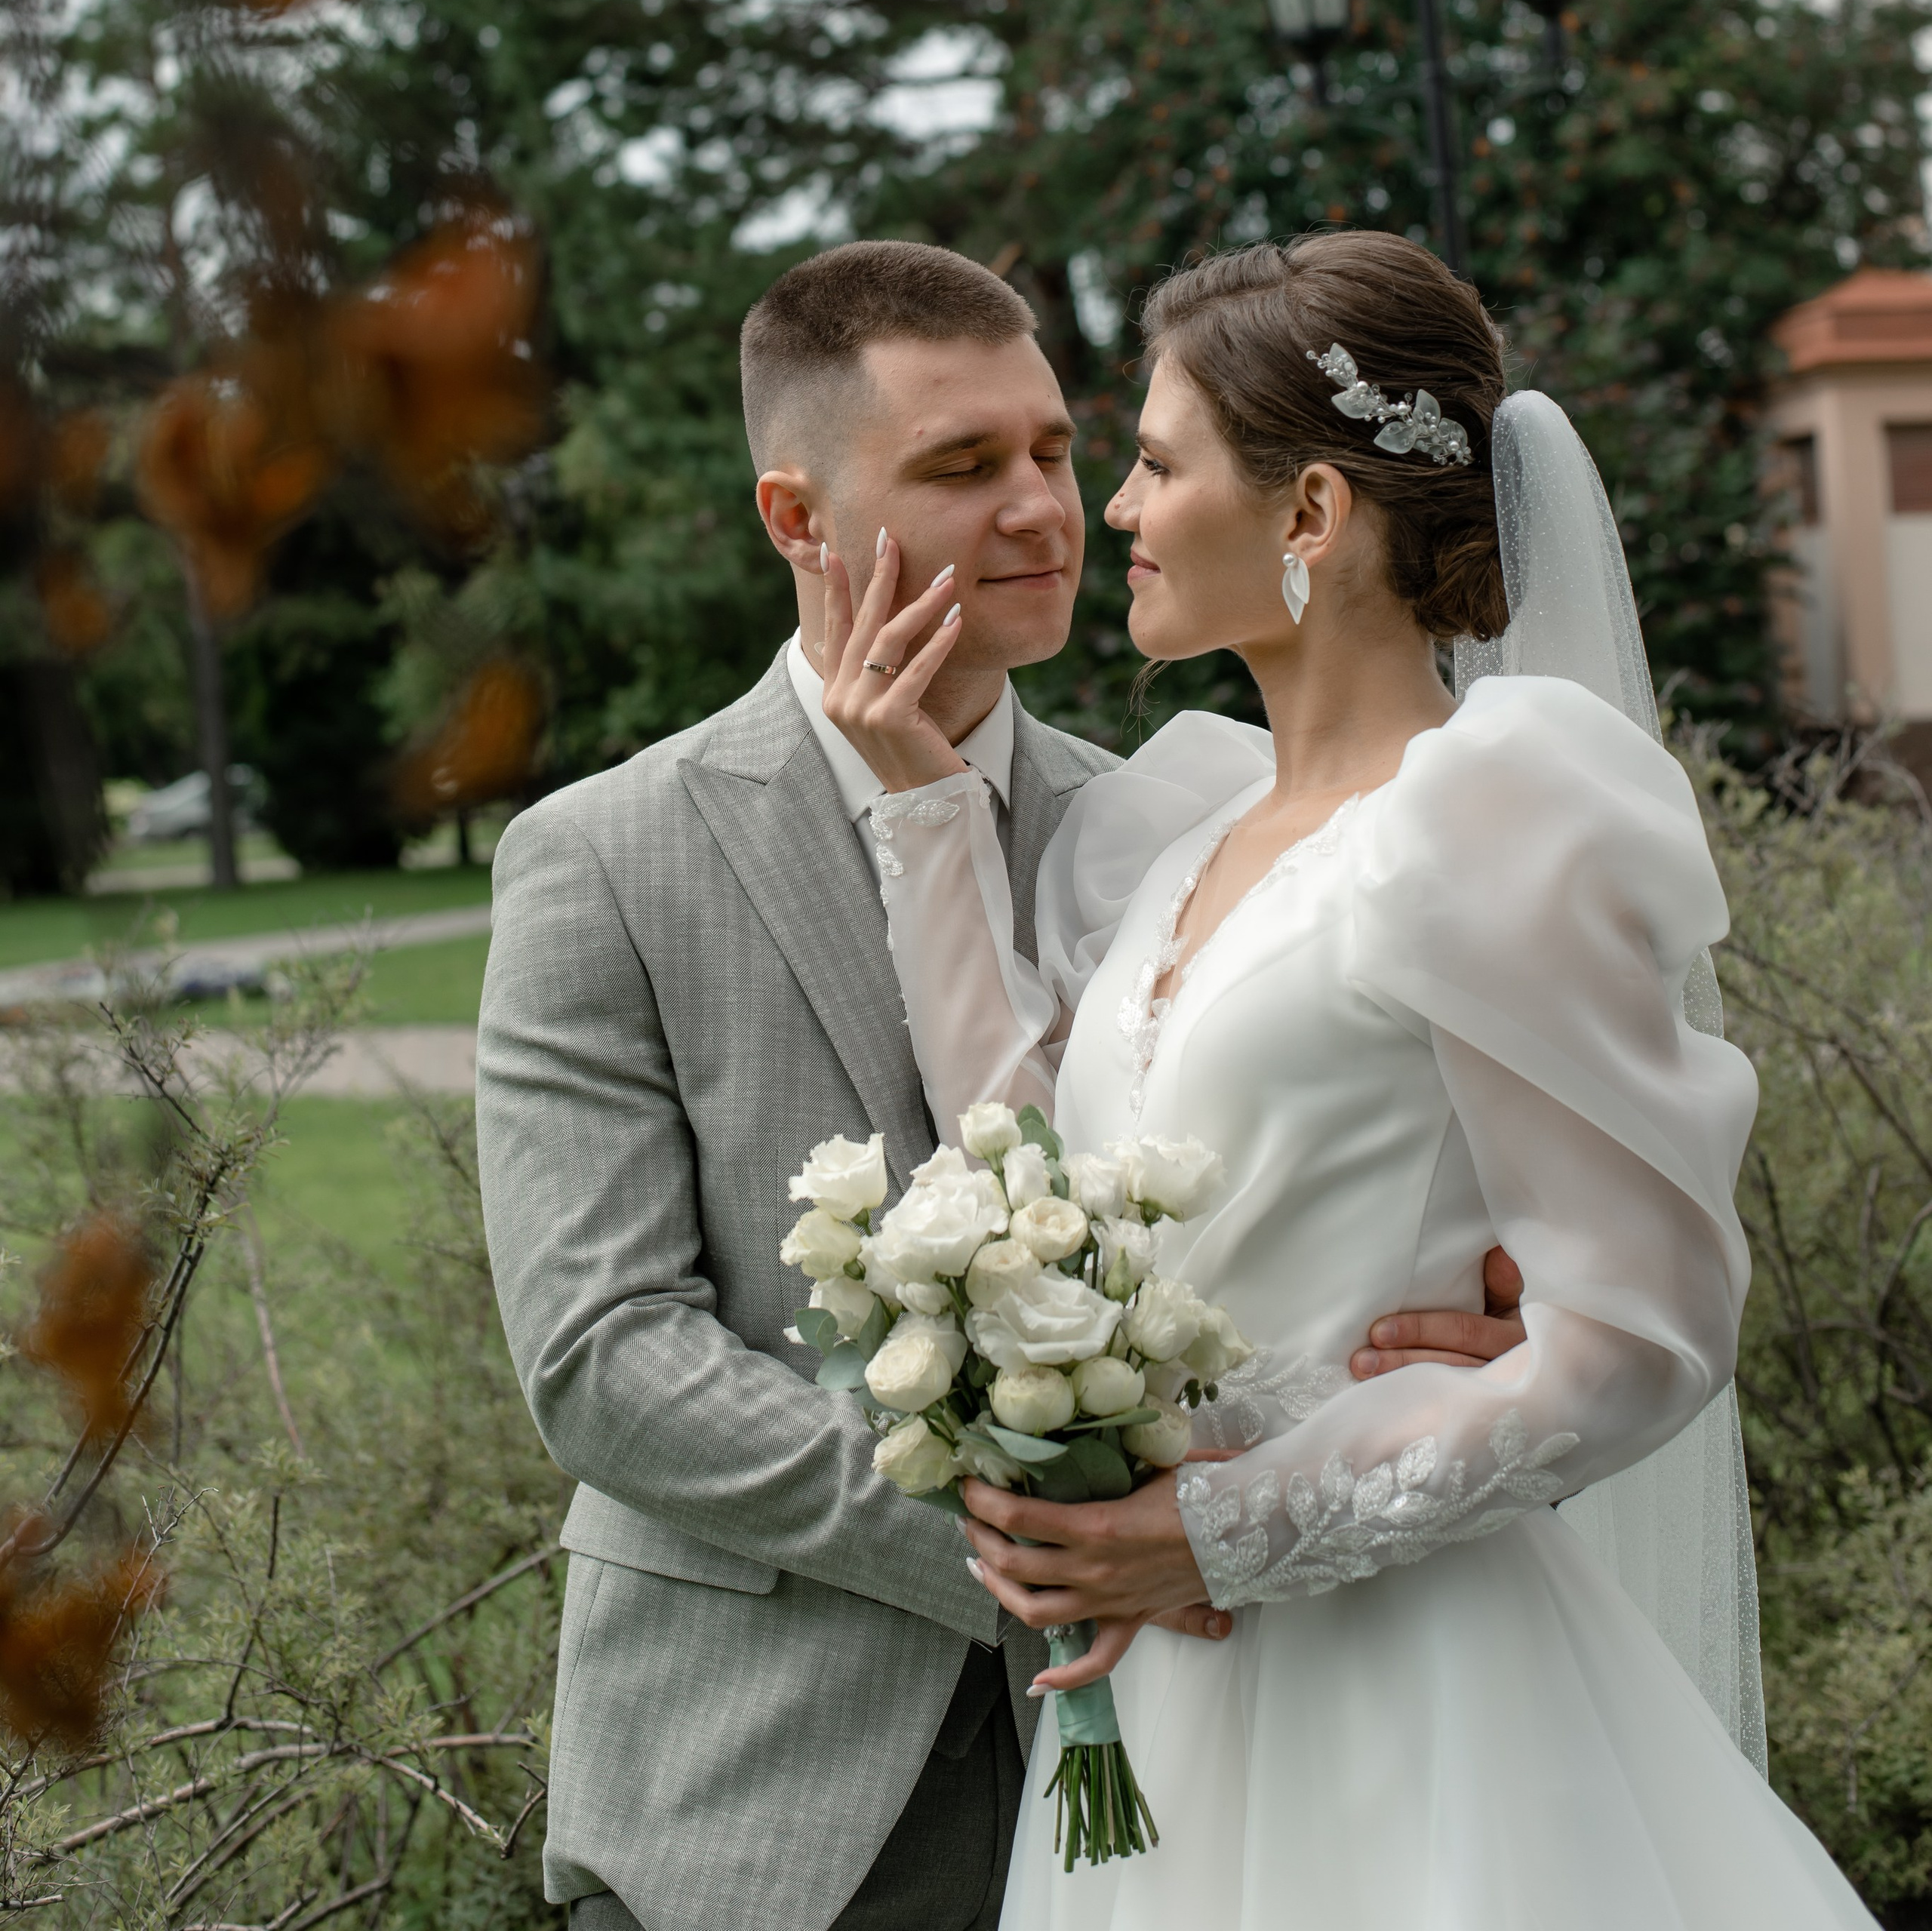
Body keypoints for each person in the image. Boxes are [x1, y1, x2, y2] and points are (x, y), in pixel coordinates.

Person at [823, 230, 1879, 1929]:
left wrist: (1226, 1527)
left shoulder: (1485, 818)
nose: (1117, 514)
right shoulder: (1159, 842)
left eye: (1155, 466)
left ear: (1308, 515)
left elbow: (1642, 1331)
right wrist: (925, 814)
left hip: (1417, 1697)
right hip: (1168, 1707)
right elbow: (1038, 1174)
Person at [475, 238, 1523, 1931]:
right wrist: (1047, 1538)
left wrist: (1464, 1325)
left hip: (1205, 1771)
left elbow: (1346, 1186)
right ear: (794, 520)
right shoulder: (602, 859)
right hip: (762, 1794)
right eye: (962, 468)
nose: (1045, 508)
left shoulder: (1176, 828)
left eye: (1054, 449)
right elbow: (605, 1361)